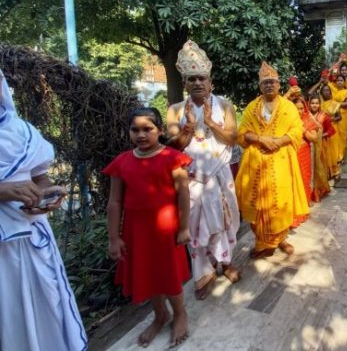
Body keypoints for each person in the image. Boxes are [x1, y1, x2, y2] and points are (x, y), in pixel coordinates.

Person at [0, 69, 87, 351]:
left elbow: (40, 178)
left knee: (48, 306)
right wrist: (3, 192)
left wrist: (49, 193)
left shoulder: (21, 131)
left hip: (31, 234)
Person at [105, 107, 191, 347]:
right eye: (135, 130)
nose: (141, 135)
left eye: (148, 129)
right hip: (136, 231)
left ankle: (180, 314)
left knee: (168, 273)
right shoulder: (122, 162)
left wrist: (184, 228)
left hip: (166, 229)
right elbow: (114, 202)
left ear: (160, 130)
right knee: (148, 272)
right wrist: (114, 237)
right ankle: (160, 315)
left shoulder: (173, 158)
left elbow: (183, 194)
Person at [167, 40, 241, 301]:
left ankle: (226, 262)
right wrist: (188, 128)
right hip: (191, 178)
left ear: (211, 83)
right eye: (192, 79)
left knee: (226, 218)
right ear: (185, 83)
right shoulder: (176, 110)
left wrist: (210, 122)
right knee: (195, 224)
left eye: (202, 78)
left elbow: (232, 138)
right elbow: (173, 146)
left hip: (220, 174)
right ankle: (204, 272)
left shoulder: (225, 105)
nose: (197, 83)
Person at [236, 62, 309, 259]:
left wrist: (278, 141)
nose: (269, 85)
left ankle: (281, 239)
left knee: (282, 200)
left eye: (272, 82)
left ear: (279, 85)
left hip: (281, 161)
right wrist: (261, 139)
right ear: (260, 86)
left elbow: (297, 130)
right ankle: (261, 243)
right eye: (265, 82)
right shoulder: (252, 107)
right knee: (258, 204)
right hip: (256, 162)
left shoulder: (288, 107)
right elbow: (242, 133)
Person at [306, 93, 336, 202]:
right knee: (308, 169)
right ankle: (308, 193)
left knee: (319, 169)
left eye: (317, 103)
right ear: (309, 104)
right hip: (307, 146)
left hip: (320, 147)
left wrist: (321, 135)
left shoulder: (324, 116)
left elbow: (331, 130)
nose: (314, 105)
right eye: (312, 103)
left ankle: (318, 192)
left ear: (320, 104)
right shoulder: (305, 115)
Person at [292, 96, 316, 225]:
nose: (299, 111)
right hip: (290, 154)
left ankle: (303, 207)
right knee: (292, 181)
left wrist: (303, 129)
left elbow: (314, 138)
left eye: (301, 108)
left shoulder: (307, 120)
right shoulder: (287, 121)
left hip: (303, 154)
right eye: (296, 109)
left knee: (303, 179)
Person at [320, 83, 342, 180]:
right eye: (324, 90)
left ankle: (335, 171)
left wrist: (330, 120)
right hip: (323, 129)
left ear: (330, 92)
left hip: (333, 129)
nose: (326, 92)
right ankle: (327, 172)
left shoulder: (335, 104)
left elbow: (339, 117)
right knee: (325, 151)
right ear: (321, 93)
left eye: (328, 90)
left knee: (334, 151)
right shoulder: (319, 104)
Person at [330, 73, 347, 164]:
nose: (339, 82)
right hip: (333, 115)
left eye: (341, 80)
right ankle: (335, 156)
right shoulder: (333, 91)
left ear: (344, 82)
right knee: (334, 136)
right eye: (338, 80)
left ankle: (341, 156)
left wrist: (337, 104)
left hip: (343, 115)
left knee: (343, 136)